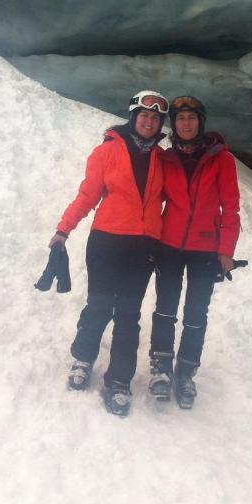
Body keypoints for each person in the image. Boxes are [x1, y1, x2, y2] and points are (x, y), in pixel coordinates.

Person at [49, 90, 168, 417]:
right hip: (107, 241)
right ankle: (83, 358)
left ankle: (119, 380)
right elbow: (87, 195)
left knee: (129, 314)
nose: (149, 120)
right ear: (133, 116)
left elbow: (176, 203)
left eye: (156, 117)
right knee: (100, 304)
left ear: (160, 124)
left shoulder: (163, 159)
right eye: (144, 115)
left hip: (143, 247)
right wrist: (63, 229)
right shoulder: (107, 151)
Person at [148, 95, 240, 409]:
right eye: (180, 118)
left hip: (205, 247)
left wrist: (226, 249)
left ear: (200, 121)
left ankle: (186, 372)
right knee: (165, 309)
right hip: (169, 244)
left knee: (196, 315)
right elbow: (152, 200)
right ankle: (161, 368)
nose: (186, 124)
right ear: (174, 123)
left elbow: (231, 207)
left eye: (191, 118)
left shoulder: (221, 159)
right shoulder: (165, 158)